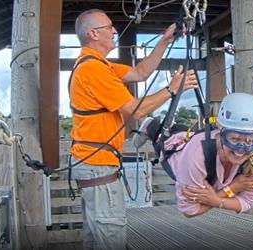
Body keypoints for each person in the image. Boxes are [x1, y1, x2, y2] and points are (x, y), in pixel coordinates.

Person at [69, 9, 198, 249]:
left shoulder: (99, 65)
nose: (115, 31)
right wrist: (171, 89)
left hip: (94, 165)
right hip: (98, 166)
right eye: (109, 27)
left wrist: (165, 41)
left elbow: (140, 73)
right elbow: (136, 111)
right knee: (110, 237)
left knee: (97, 236)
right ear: (93, 33)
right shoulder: (93, 70)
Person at [134, 92, 253, 217]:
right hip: (176, 153)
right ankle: (150, 125)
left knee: (185, 134)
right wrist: (231, 189)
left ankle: (176, 128)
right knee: (163, 138)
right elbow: (189, 211)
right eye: (234, 139)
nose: (241, 149)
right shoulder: (196, 156)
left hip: (195, 141)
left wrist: (216, 200)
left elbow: (249, 200)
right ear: (221, 133)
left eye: (250, 140)